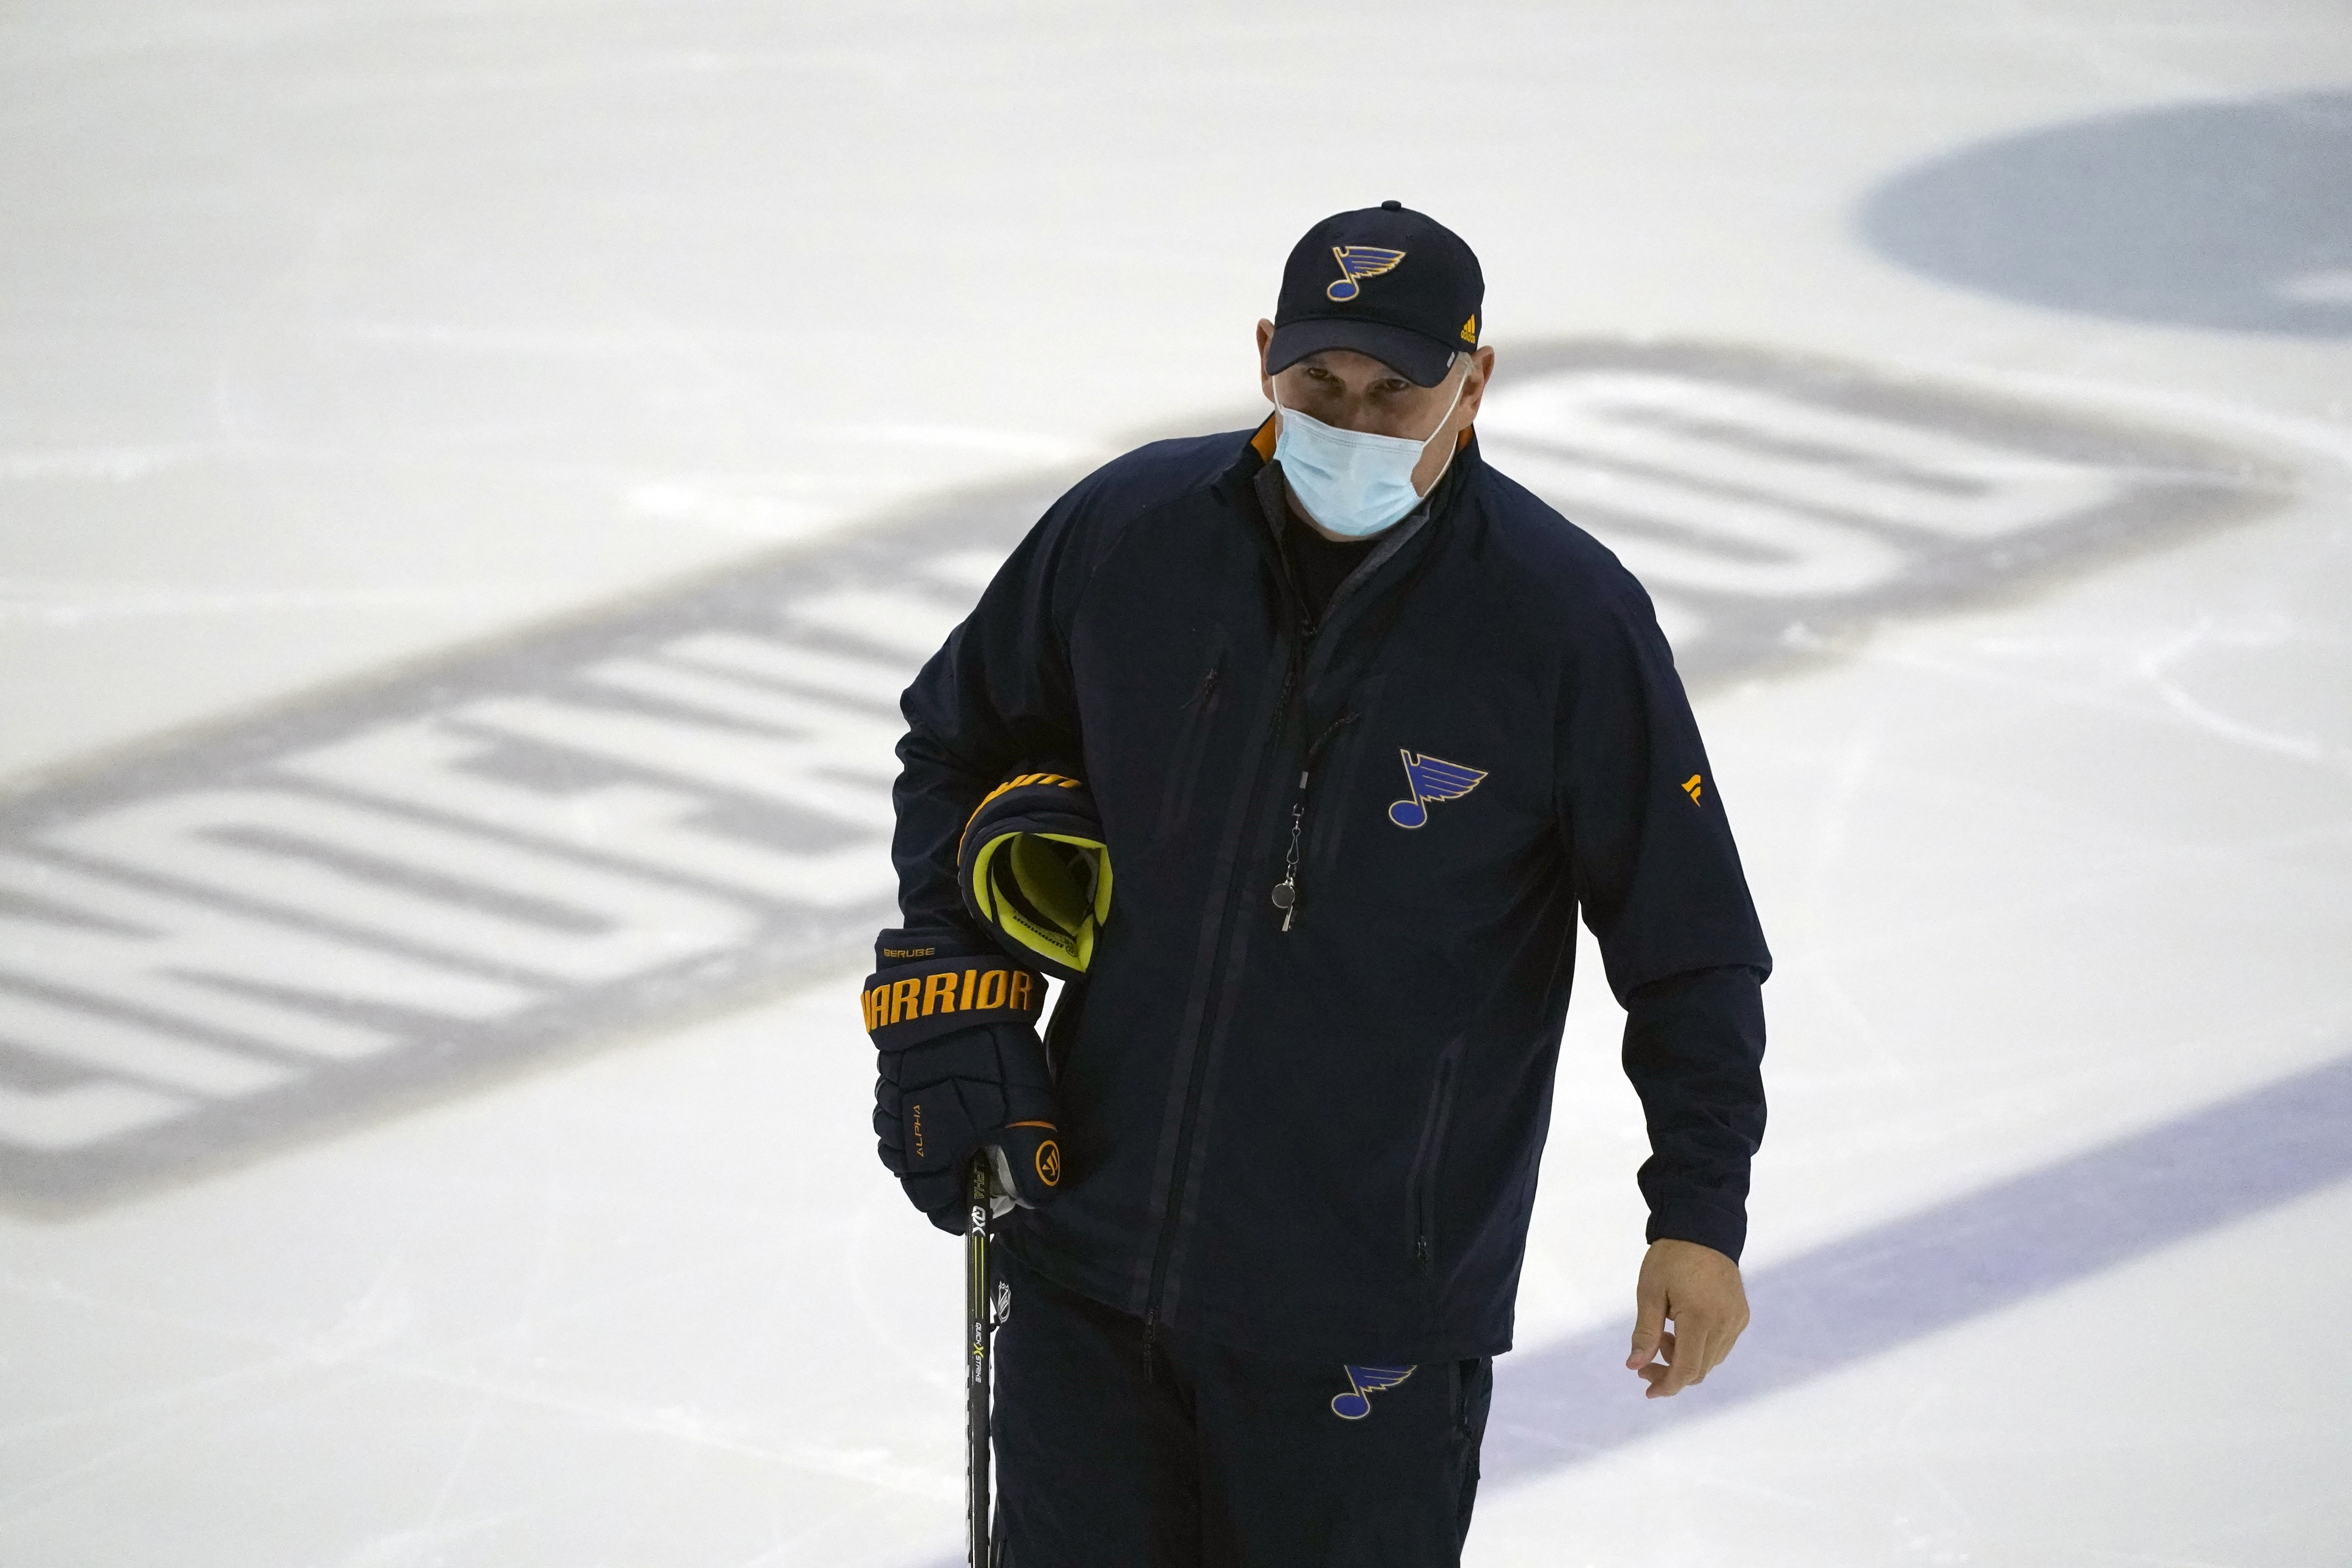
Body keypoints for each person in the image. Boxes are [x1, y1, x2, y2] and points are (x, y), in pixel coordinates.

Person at [864, 201, 1771, 1566]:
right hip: (1086, 1262)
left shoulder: (1564, 623)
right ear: (1264, 359)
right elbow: (958, 741)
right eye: (1317, 386)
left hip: (1368, 1325)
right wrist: (958, 989)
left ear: (1474, 387)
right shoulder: (1130, 533)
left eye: (1394, 394)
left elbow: (1688, 944)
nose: (1350, 423)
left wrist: (1697, 1217)